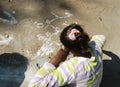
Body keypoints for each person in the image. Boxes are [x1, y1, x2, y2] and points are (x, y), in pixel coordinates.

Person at [29, 23, 106, 87]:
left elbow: (34, 85)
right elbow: (102, 37)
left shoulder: (71, 68)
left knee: (42, 61)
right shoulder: (95, 47)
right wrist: (85, 40)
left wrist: (56, 59)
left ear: (68, 49)